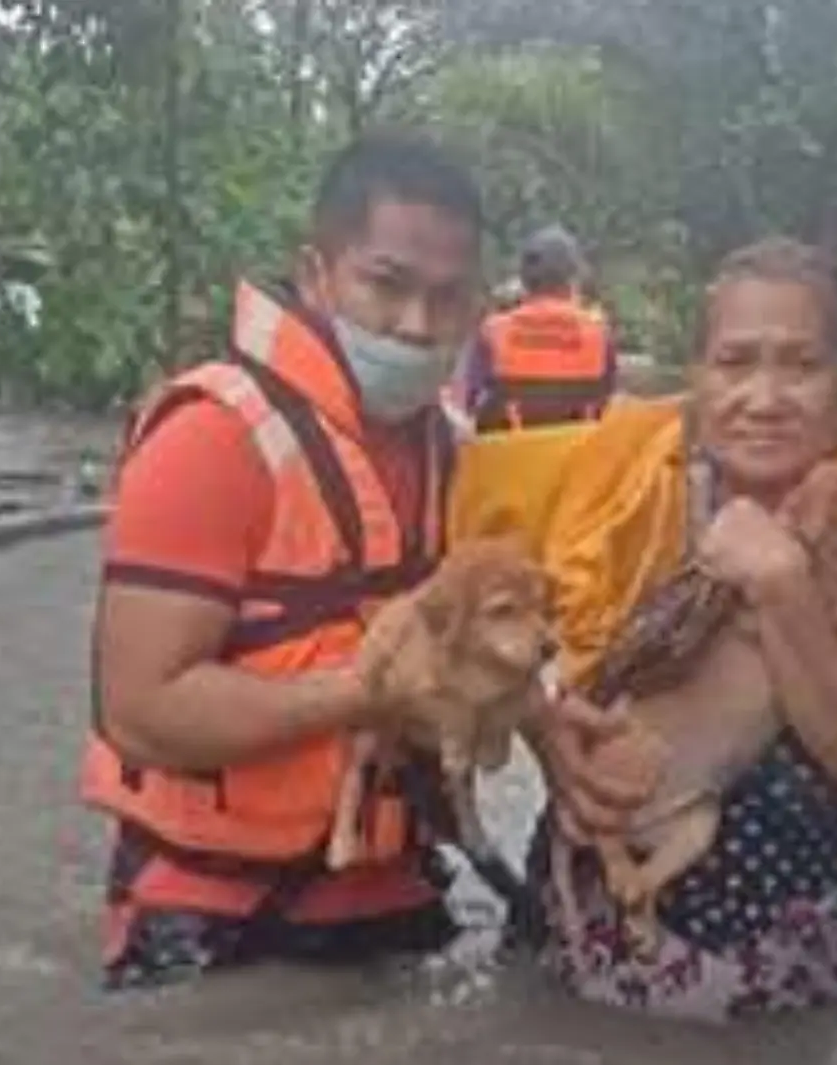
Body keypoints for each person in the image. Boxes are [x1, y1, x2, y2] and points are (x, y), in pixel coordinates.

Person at [454, 237, 837, 1019]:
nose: (764, 395)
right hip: (567, 932)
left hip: (771, 967)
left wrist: (783, 582)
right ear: (695, 377)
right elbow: (469, 625)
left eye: (801, 365)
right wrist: (549, 729)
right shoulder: (621, 475)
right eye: (735, 362)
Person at [78, 131, 520, 991]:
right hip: (213, 914)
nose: (416, 325)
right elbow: (138, 709)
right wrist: (370, 690)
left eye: (446, 298)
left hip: (395, 893)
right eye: (386, 285)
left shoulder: (457, 453)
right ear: (316, 273)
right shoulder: (212, 438)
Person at [458, 225, 617, 433]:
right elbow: (608, 402)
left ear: (524, 279)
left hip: (507, 457)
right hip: (576, 457)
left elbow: (469, 403)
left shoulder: (492, 332)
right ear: (573, 278)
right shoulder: (599, 334)